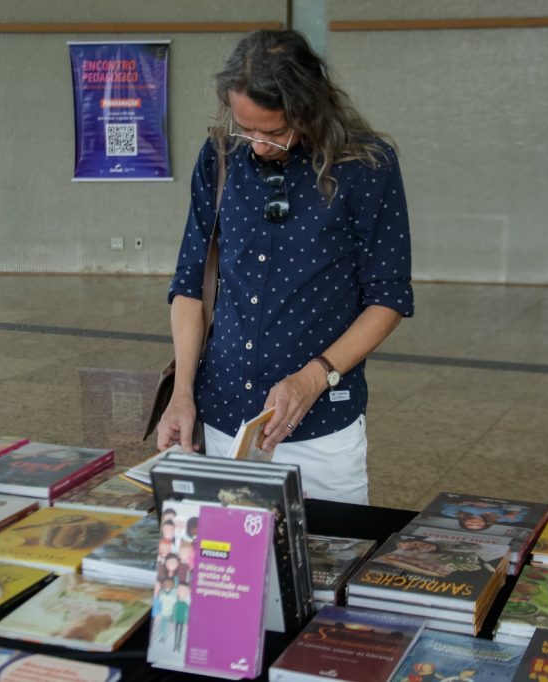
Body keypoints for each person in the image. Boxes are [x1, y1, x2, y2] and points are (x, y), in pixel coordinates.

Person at [157, 30, 413, 504]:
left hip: (320, 432)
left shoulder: (366, 166)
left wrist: (313, 378)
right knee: (225, 552)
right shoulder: (220, 156)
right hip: (223, 419)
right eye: (245, 128)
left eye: (274, 133)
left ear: (309, 109)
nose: (257, 145)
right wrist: (182, 394)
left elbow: (389, 298)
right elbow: (190, 284)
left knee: (327, 550)